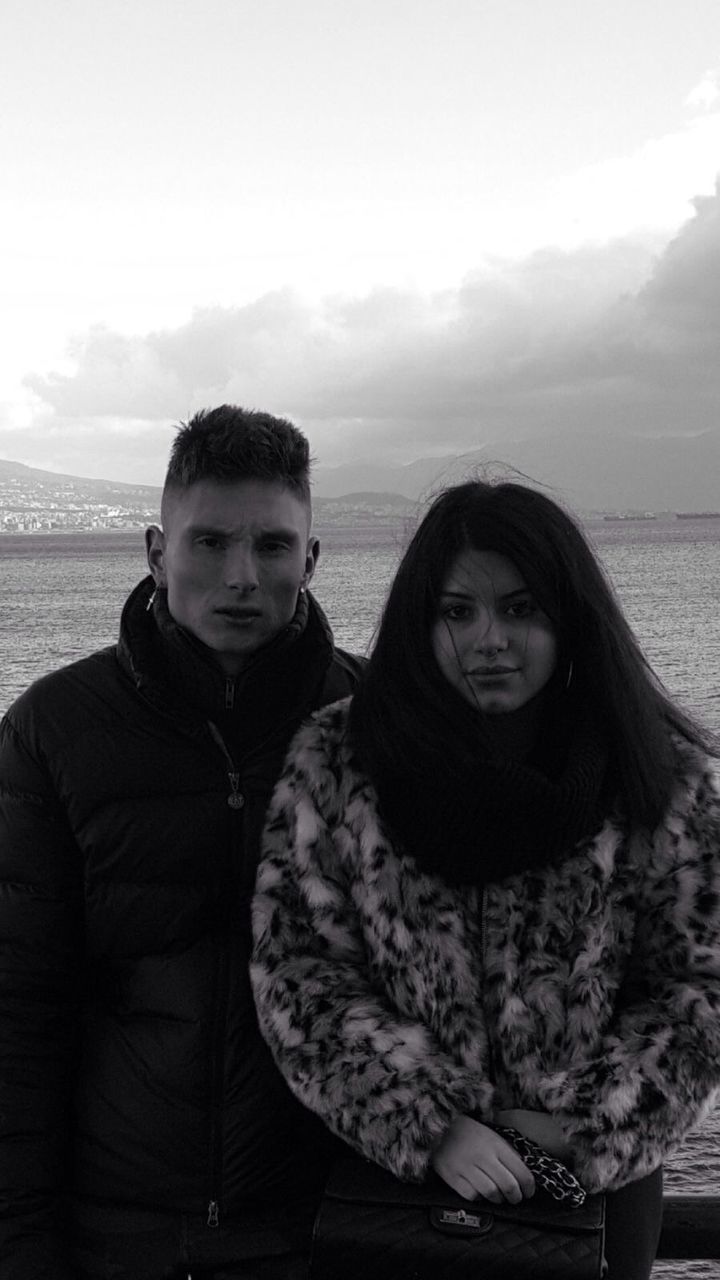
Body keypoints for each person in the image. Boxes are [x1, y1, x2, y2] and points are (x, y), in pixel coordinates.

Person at [251, 478, 720, 1280]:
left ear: (569, 617)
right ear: (419, 620)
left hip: (594, 1193)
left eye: (521, 609)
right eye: (458, 611)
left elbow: (697, 987)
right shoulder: (342, 762)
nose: (490, 639)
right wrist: (430, 1122)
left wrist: (584, 1125)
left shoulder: (657, 776)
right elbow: (299, 973)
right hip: (404, 1190)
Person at [0, 405, 364, 1280]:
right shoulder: (55, 732)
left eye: (273, 547)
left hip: (329, 1231)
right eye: (210, 544)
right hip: (114, 1238)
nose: (241, 576)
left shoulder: (378, 728)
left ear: (311, 559)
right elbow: (16, 1021)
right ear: (157, 550)